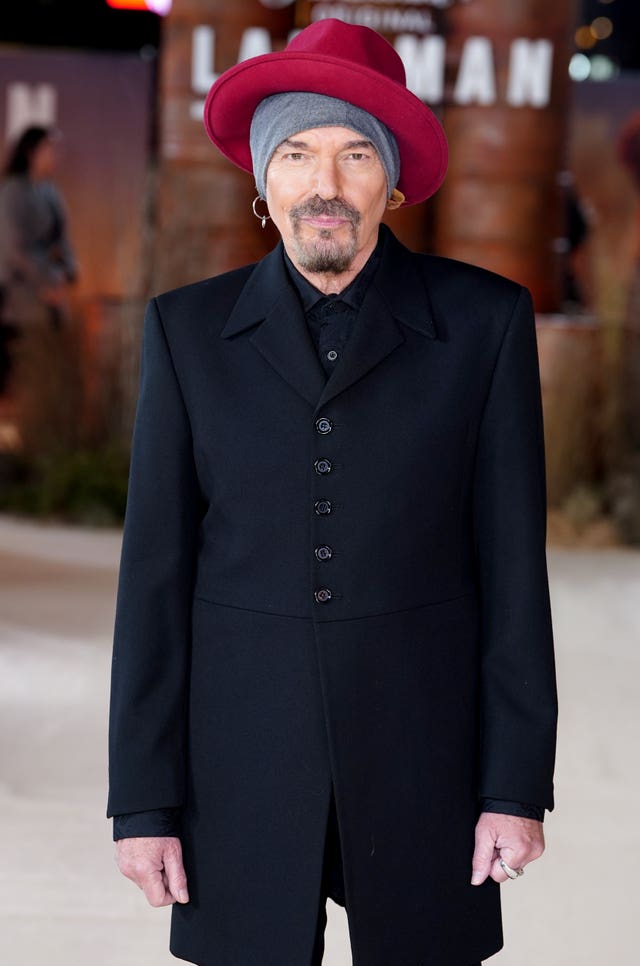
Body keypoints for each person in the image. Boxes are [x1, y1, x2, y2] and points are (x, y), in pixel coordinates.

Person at [108, 19, 557, 966]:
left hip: (424, 757)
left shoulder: (485, 324)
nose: (326, 185)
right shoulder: (185, 333)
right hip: (238, 764)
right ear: (263, 182)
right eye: (299, 153)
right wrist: (143, 802)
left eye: (357, 155)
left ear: (390, 182)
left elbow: (514, 573)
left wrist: (514, 786)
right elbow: (152, 580)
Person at [0, 125, 77, 395]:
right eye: (50, 149)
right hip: (18, 300)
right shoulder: (11, 192)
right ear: (31, 152)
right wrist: (48, 281)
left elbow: (62, 240)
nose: (56, 155)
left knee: (46, 379)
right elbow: (14, 250)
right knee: (17, 376)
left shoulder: (50, 192)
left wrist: (67, 272)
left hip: (51, 303)